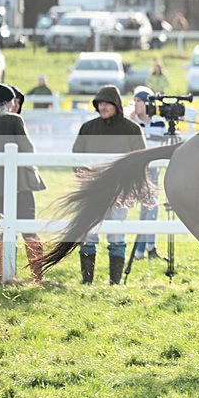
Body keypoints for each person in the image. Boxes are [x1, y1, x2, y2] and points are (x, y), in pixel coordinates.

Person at [0, 77, 46, 284]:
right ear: (7, 101)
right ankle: (37, 276)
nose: (16, 105)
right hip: (19, 185)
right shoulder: (15, 120)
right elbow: (28, 149)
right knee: (29, 229)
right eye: (14, 101)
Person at [73, 85, 146, 285]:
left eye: (107, 103)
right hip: (92, 191)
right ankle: (87, 281)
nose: (103, 107)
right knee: (89, 236)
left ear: (116, 104)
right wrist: (85, 182)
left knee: (116, 237)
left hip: (120, 193)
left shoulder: (132, 129)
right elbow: (76, 157)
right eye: (100, 104)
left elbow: (141, 161)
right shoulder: (88, 128)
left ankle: (114, 283)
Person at [129, 86, 166, 260]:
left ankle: (143, 250)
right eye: (135, 101)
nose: (136, 104)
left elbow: (159, 146)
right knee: (149, 206)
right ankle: (146, 250)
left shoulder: (159, 122)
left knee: (150, 207)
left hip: (154, 168)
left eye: (139, 101)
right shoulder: (131, 122)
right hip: (138, 169)